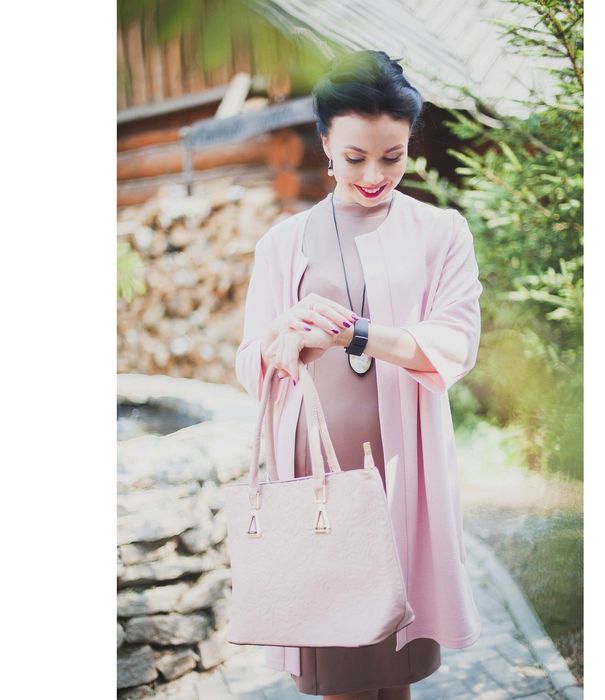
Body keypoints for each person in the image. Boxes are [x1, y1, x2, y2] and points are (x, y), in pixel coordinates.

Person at [235, 49, 483, 700]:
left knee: (398, 663)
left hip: (408, 464)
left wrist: (356, 333)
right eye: (354, 157)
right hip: (315, 465)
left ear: (409, 144)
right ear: (324, 144)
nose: (374, 175)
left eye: (392, 156)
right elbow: (249, 363)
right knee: (340, 664)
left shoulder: (441, 231)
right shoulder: (282, 243)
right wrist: (285, 336)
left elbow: (456, 341)